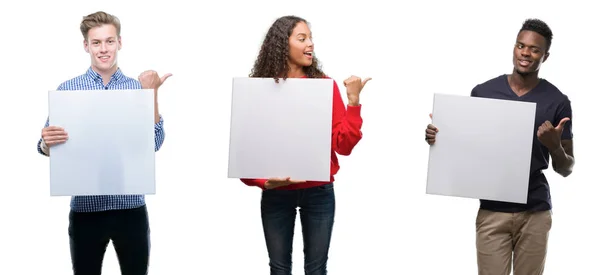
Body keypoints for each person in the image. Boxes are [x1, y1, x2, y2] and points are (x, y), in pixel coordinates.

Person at [425, 19, 574, 275]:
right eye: (520, 45)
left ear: (545, 56)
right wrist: (441, 139)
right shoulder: (484, 92)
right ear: (514, 48)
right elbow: (470, 149)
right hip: (492, 212)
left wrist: (555, 148)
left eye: (534, 49)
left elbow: (566, 168)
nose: (525, 53)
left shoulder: (557, 101)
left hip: (535, 212)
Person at [37, 11, 171, 275]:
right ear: (86, 46)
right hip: (85, 210)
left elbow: (154, 142)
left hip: (130, 207)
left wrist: (151, 94)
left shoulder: (138, 88)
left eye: (109, 41)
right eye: (96, 43)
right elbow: (44, 146)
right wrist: (46, 144)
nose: (103, 49)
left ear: (119, 43)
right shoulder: (68, 90)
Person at [240, 15, 371, 275]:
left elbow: (343, 146)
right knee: (278, 269)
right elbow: (246, 149)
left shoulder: (323, 86)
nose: (310, 44)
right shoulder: (259, 90)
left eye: (311, 38)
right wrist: (261, 182)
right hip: (276, 193)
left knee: (316, 270)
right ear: (282, 44)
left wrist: (353, 102)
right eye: (302, 38)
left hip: (319, 192)